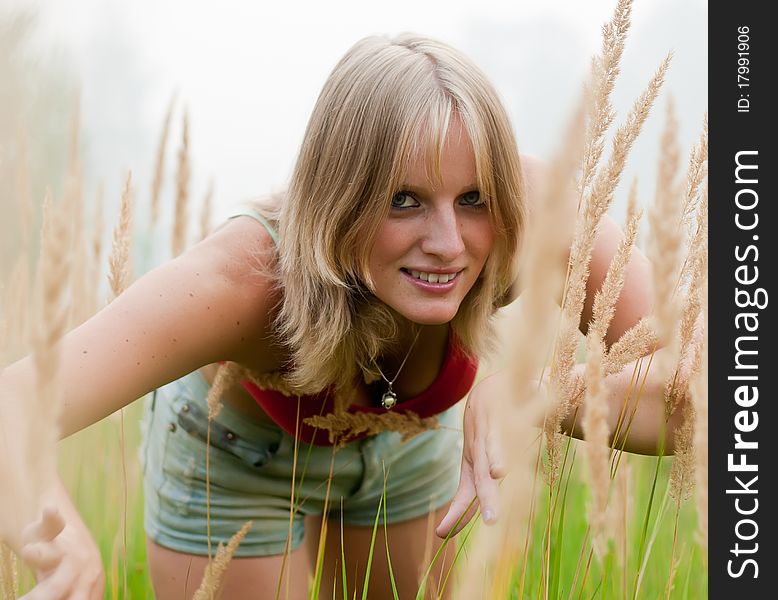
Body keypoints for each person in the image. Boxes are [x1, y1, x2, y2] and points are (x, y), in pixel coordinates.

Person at [0, 33, 678, 600]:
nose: (448, 242)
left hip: (409, 448)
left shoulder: (529, 212)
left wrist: (543, 391)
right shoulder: (243, 282)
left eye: (472, 198)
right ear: (341, 200)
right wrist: (61, 544)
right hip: (239, 459)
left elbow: (703, 387)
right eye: (404, 200)